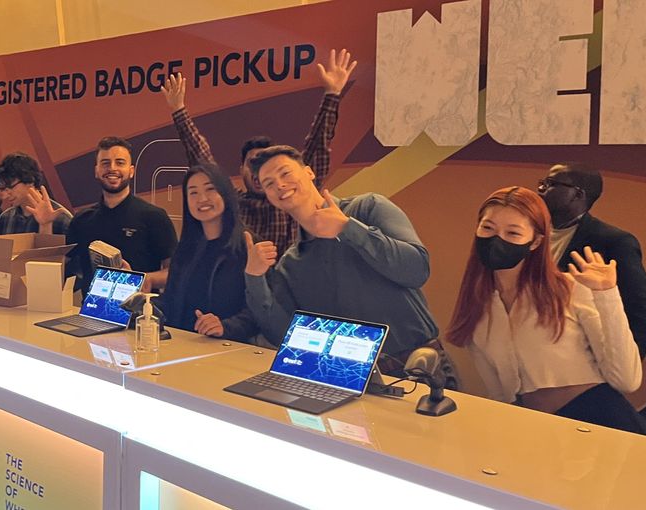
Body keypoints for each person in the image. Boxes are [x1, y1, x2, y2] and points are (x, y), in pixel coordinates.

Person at [445, 186, 646, 436]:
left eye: (513, 233)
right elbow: (502, 395)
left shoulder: (570, 289)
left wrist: (607, 294)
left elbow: (627, 379)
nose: (497, 239)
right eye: (488, 228)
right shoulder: (478, 307)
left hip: (599, 423)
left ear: (535, 242)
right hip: (534, 430)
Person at [244, 145, 443, 376]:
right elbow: (282, 334)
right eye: (269, 183)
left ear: (308, 172)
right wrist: (254, 276)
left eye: (285, 173)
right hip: (349, 376)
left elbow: (417, 269)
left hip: (419, 367)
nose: (279, 184)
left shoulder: (368, 208)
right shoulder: (291, 265)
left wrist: (348, 228)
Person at [161, 48, 356, 256]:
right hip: (248, 284)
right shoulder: (234, 203)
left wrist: (332, 94)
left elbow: (318, 145)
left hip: (293, 281)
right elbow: (203, 161)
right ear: (241, 169)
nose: (260, 174)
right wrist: (179, 111)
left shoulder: (293, 196)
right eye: (252, 164)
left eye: (269, 169)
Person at [538, 163, 646, 361]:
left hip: (582, 366)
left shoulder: (613, 241)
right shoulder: (529, 234)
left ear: (578, 195)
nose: (541, 190)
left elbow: (644, 312)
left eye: (551, 184)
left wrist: (620, 366)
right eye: (542, 182)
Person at [158, 163, 258, 341]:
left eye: (210, 189)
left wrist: (225, 326)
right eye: (193, 192)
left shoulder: (248, 246)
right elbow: (170, 301)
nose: (202, 198)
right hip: (180, 346)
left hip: (228, 350)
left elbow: (260, 310)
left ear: (225, 193)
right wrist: (138, 303)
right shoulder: (186, 249)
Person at [65, 137, 178, 293]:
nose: (112, 168)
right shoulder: (81, 220)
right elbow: (61, 267)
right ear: (96, 171)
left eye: (120, 162)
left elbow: (174, 273)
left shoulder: (154, 216)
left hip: (140, 313)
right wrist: (46, 225)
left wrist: (143, 279)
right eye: (105, 163)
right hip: (92, 312)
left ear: (131, 171)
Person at [0, 152, 72, 235]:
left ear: (30, 180)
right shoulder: (5, 218)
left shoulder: (60, 218)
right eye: (3, 189)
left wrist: (46, 225)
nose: (5, 195)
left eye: (11, 187)